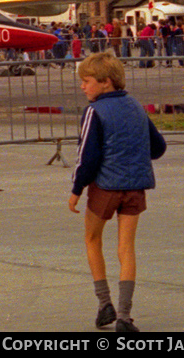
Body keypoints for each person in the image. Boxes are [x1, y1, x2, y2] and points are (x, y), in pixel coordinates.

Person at [68, 51, 167, 333]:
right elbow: (158, 147)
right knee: (126, 248)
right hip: (136, 186)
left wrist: (76, 189)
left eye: (86, 81)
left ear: (105, 82)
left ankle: (104, 304)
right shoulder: (136, 105)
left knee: (92, 238)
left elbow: (87, 157)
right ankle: (125, 315)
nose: (83, 86)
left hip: (106, 186)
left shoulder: (94, 111)